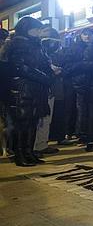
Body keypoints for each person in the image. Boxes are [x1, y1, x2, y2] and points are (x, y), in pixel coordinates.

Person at [3, 17, 52, 166]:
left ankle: (29, 152)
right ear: (27, 29)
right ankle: (20, 154)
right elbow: (21, 67)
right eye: (36, 29)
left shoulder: (36, 44)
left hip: (35, 90)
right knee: (22, 124)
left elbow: (42, 64)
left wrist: (48, 72)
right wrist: (44, 77)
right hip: (22, 90)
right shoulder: (18, 44)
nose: (38, 32)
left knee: (32, 122)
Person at [33, 27, 63, 156]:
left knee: (46, 119)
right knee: (38, 119)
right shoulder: (36, 52)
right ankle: (34, 146)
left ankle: (42, 144)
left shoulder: (48, 54)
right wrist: (52, 71)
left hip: (50, 89)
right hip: (39, 90)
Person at [70, 28, 93, 144]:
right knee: (82, 110)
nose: (87, 37)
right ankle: (81, 133)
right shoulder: (75, 48)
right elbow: (72, 66)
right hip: (80, 83)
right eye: (85, 34)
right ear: (81, 36)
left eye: (90, 34)